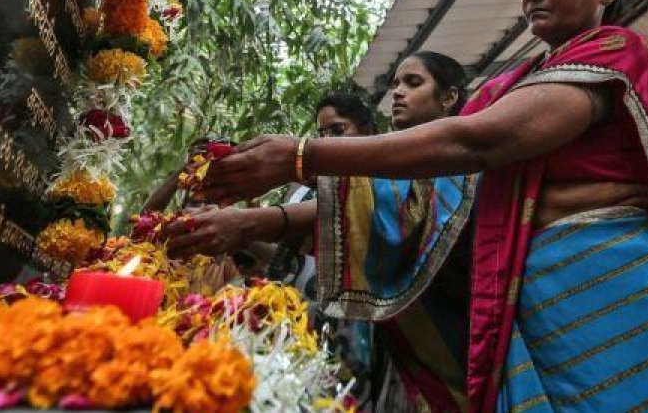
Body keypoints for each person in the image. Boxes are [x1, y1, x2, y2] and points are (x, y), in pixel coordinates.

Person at [205, 0, 648, 412]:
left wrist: (301, 157)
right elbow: (416, 202)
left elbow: (481, 141)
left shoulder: (615, 50)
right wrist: (257, 222)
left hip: (619, 290)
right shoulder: (509, 87)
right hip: (535, 308)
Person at [165, 57, 476, 411]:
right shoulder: (369, 172)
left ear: (449, 97)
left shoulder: (463, 159)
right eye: (395, 84)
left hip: (436, 338)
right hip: (375, 336)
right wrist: (239, 226)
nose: (398, 93)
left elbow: (377, 218)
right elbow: (315, 240)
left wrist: (252, 219)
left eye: (413, 83)